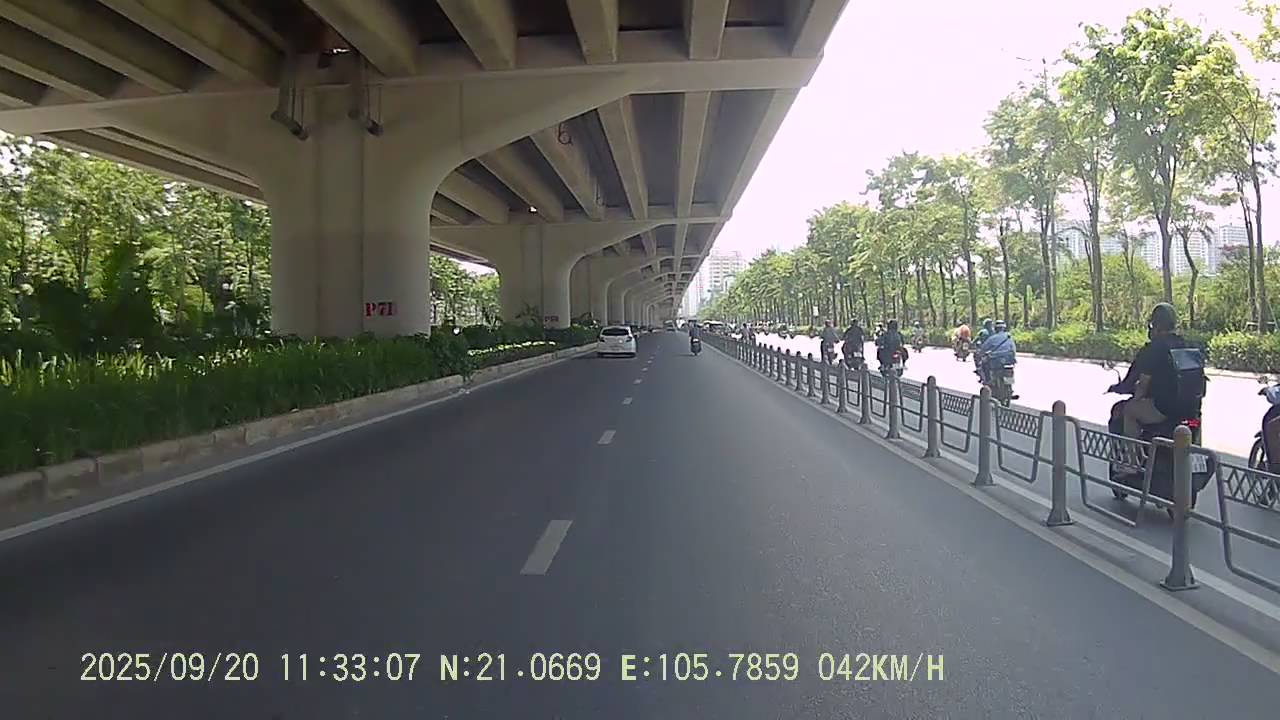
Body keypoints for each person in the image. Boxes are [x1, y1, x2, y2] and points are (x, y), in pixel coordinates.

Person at [1109, 303, 1192, 438]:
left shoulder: (1152, 349)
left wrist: (1131, 396)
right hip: (1189, 408)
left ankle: (1133, 451)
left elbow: (1142, 385)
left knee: (1129, 410)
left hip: (1163, 408)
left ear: (1155, 325)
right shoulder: (1185, 345)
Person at [977, 320, 1017, 392]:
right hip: (1009, 360)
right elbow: (1013, 349)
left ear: (995, 329)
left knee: (983, 364)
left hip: (996, 361)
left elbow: (983, 349)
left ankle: (988, 382)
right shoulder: (1009, 337)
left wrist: (981, 353)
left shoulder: (992, 338)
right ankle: (1009, 388)